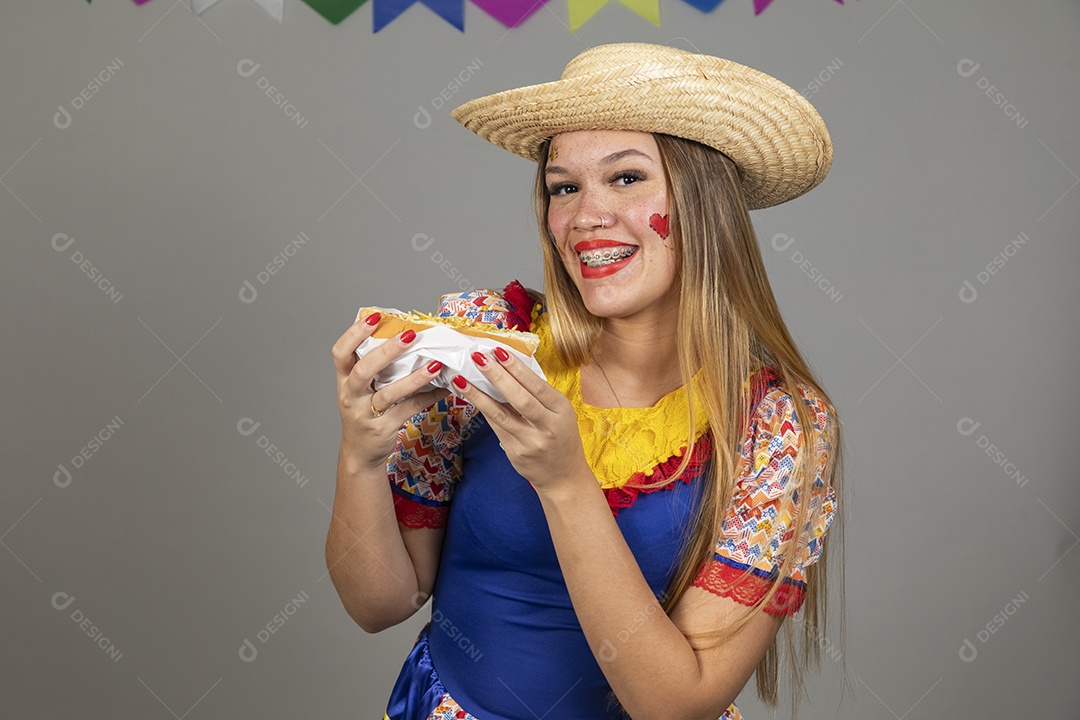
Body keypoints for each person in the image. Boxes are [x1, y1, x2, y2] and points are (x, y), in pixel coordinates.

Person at [327, 42, 846, 720]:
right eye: (563, 187)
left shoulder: (780, 427)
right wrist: (360, 457)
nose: (585, 216)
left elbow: (675, 705)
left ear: (707, 202)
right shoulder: (486, 344)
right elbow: (380, 604)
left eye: (626, 178)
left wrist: (565, 481)